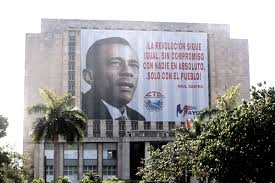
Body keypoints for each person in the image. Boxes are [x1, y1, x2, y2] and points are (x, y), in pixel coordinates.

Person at [82, 37, 145, 121]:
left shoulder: (138, 118)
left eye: (133, 65)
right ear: (89, 76)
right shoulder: (79, 112)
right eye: (115, 63)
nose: (128, 72)